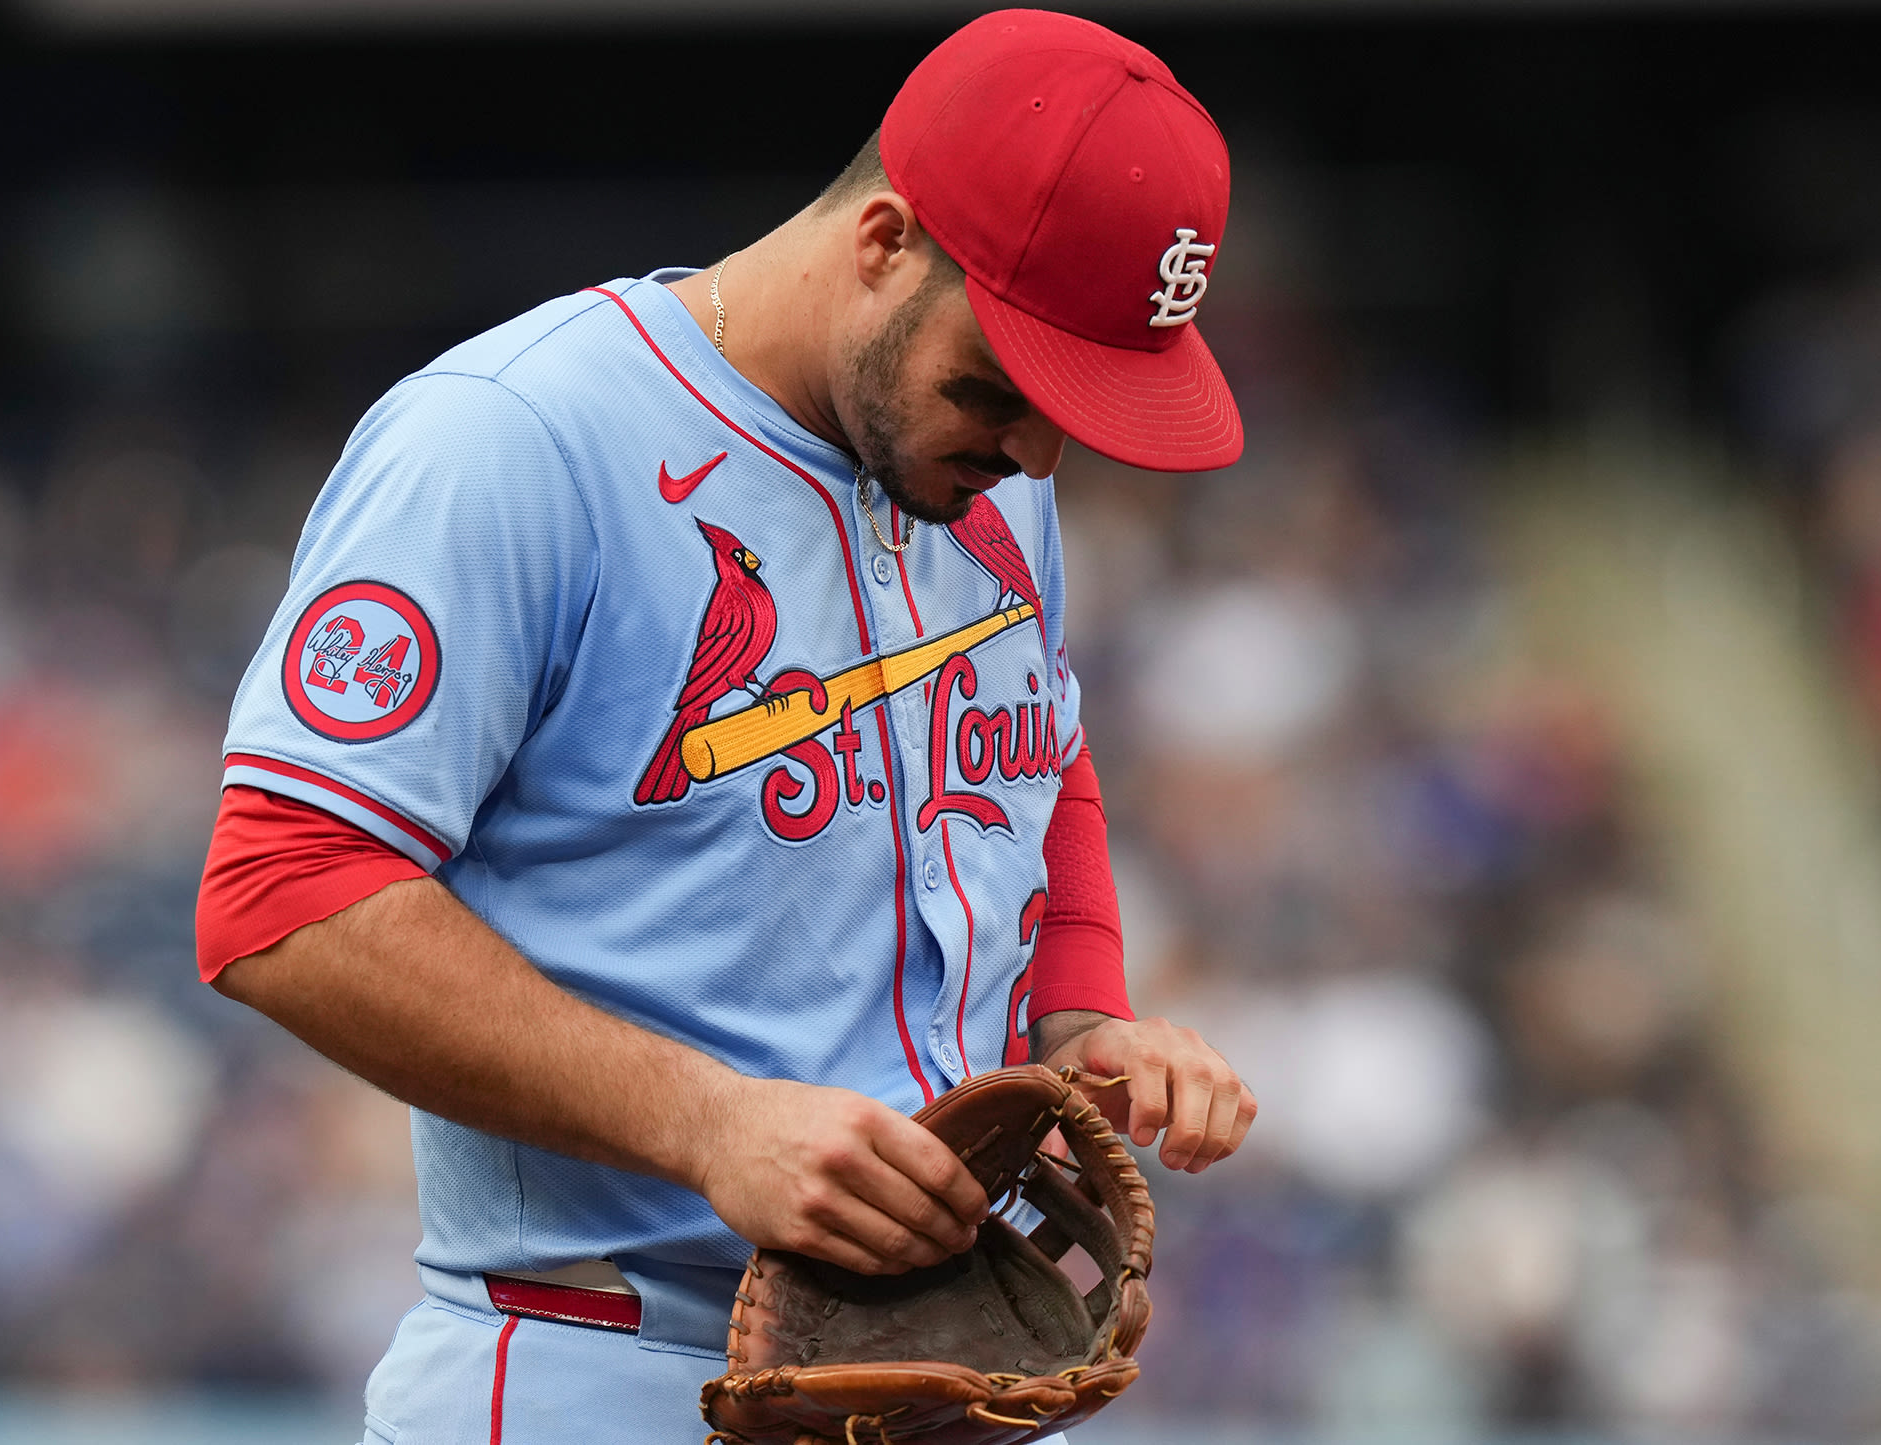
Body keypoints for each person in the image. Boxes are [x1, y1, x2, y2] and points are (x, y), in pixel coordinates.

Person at [194, 11, 1257, 1441]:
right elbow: (279, 895)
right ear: (882, 240)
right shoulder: (516, 439)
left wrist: (1082, 1008)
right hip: (598, 1363)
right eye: (1005, 385)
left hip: (944, 1374)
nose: (1041, 448)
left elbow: (1033, 747)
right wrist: (709, 1120)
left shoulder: (983, 474)